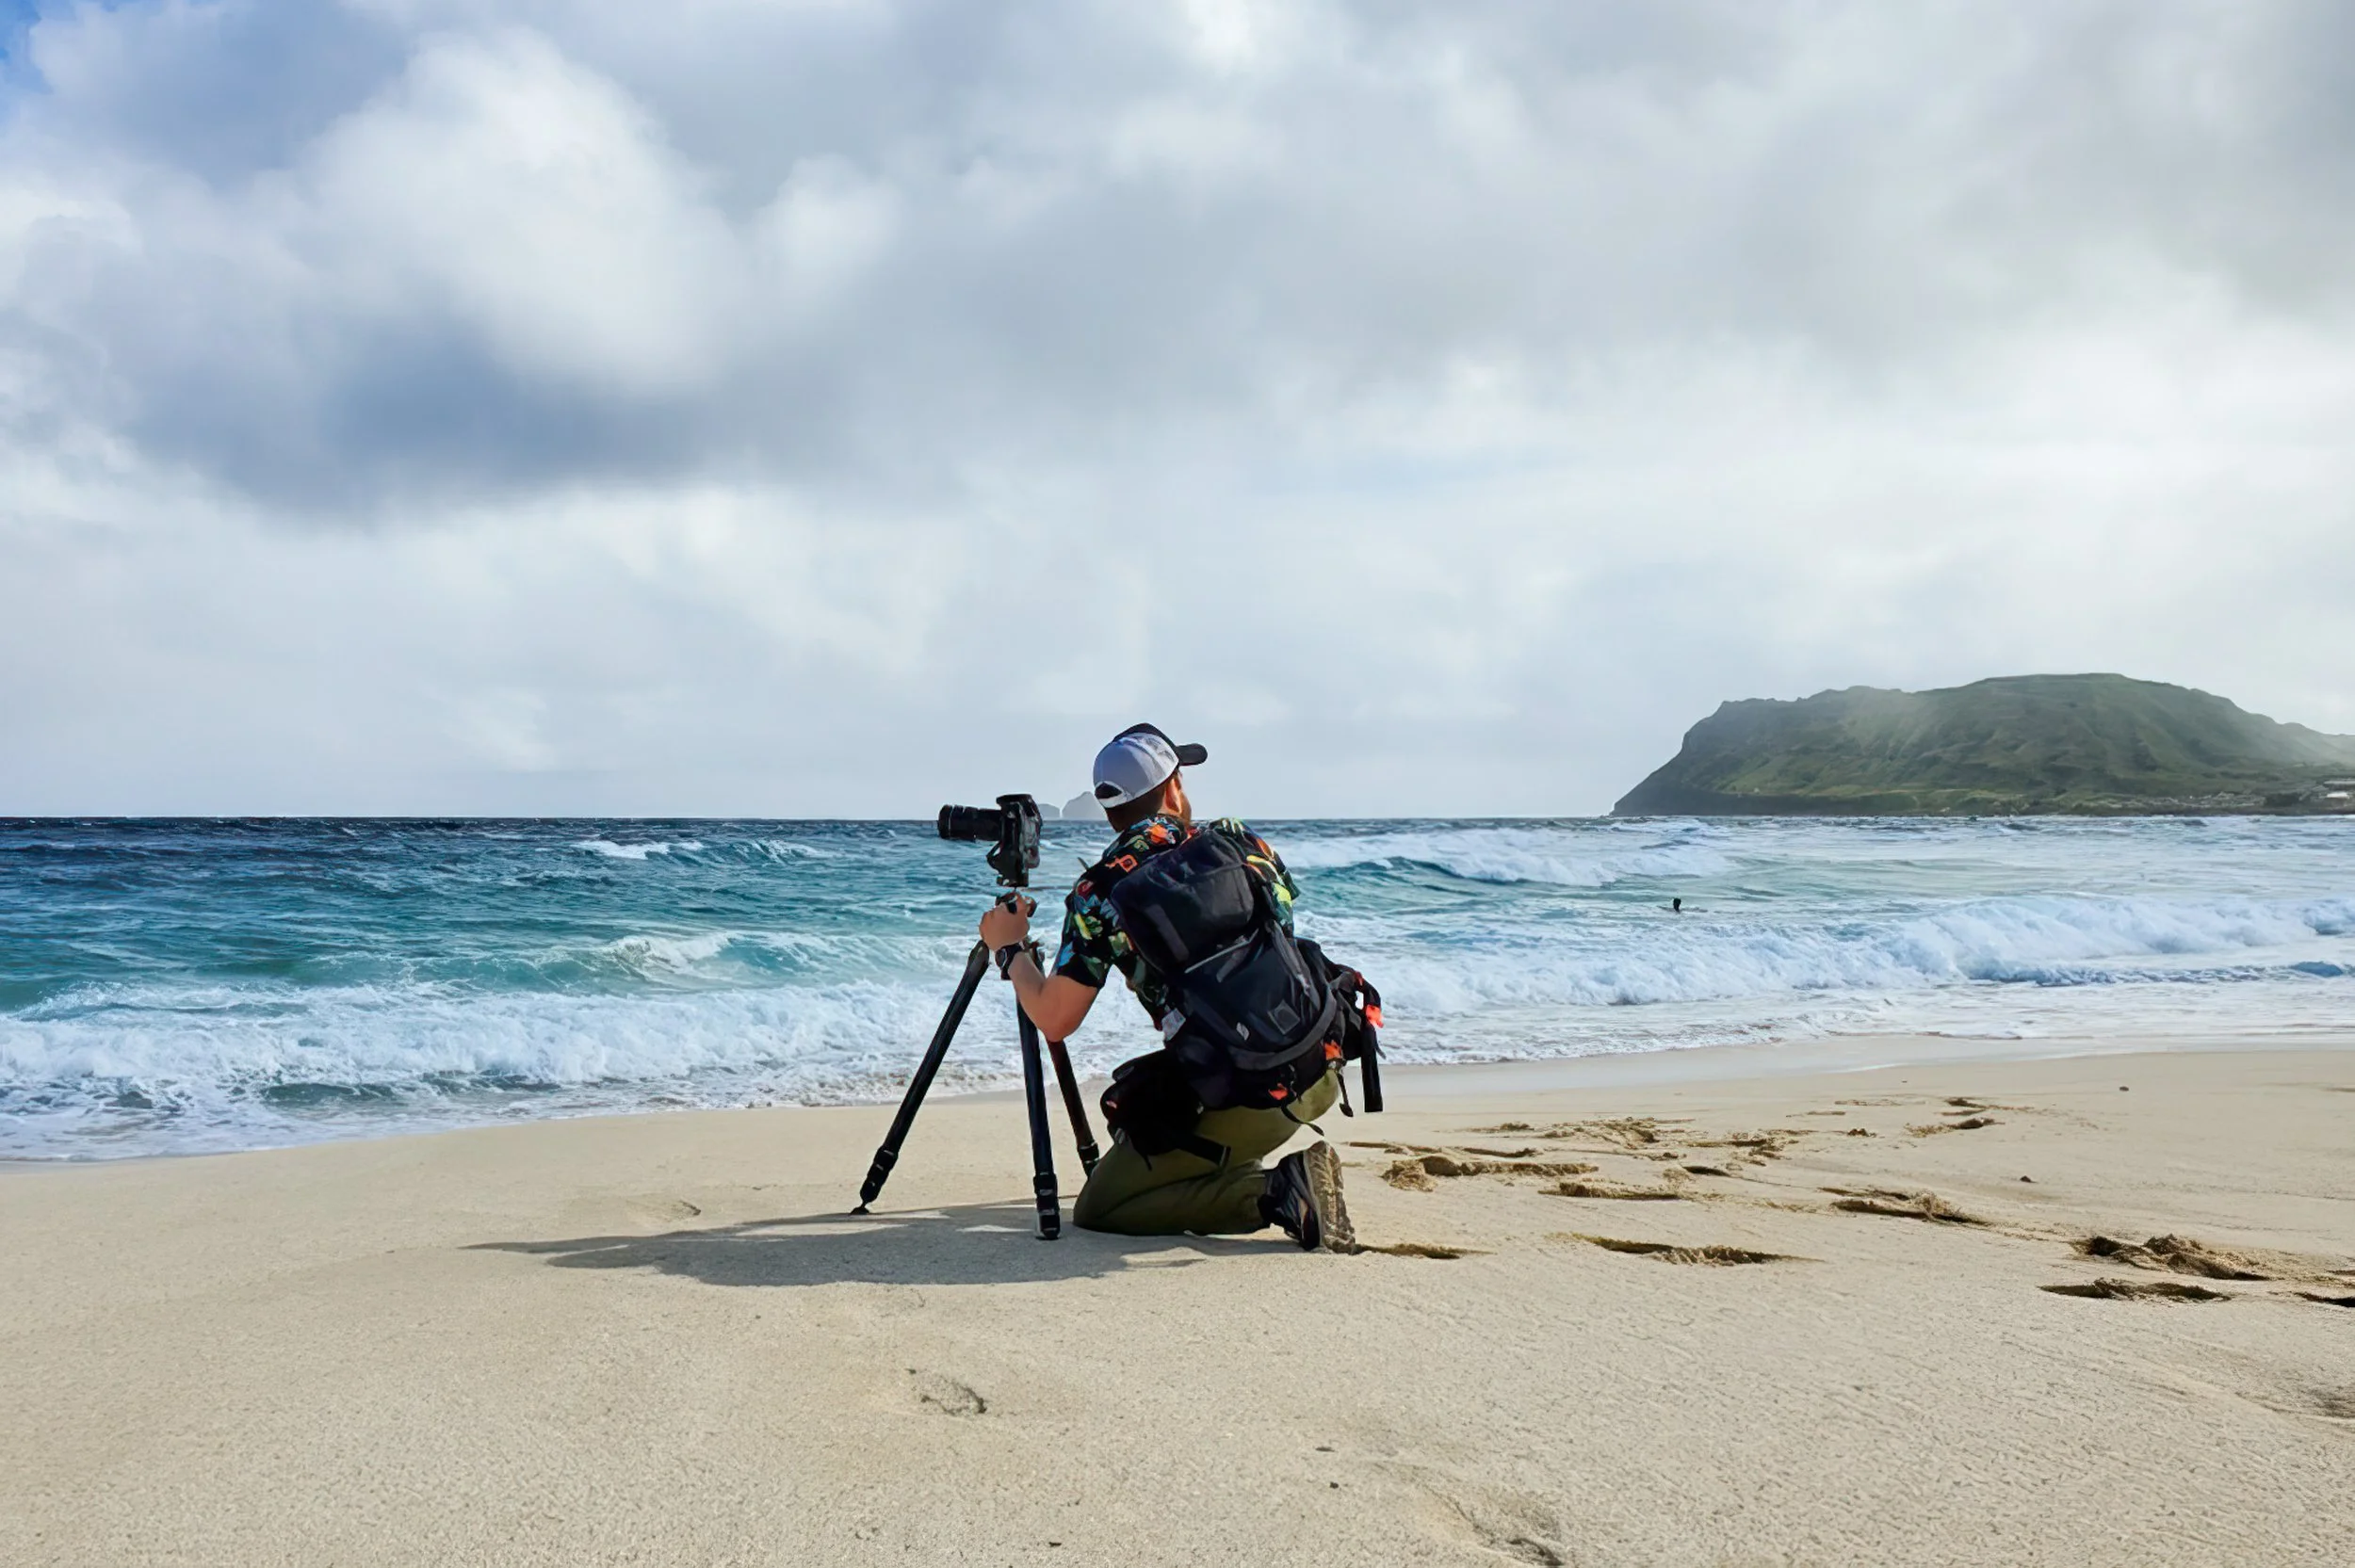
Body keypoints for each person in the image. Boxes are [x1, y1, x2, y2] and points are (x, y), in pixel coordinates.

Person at [977, 723, 1353, 1250]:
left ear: (1109, 811)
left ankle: (1274, 1191)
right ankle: (1224, 1161)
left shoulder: (1099, 892)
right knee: (1150, 1110)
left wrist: (1011, 948)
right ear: (1174, 787)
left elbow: (1055, 1018)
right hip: (1319, 1065)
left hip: (1249, 1099)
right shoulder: (1241, 843)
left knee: (1102, 1206)